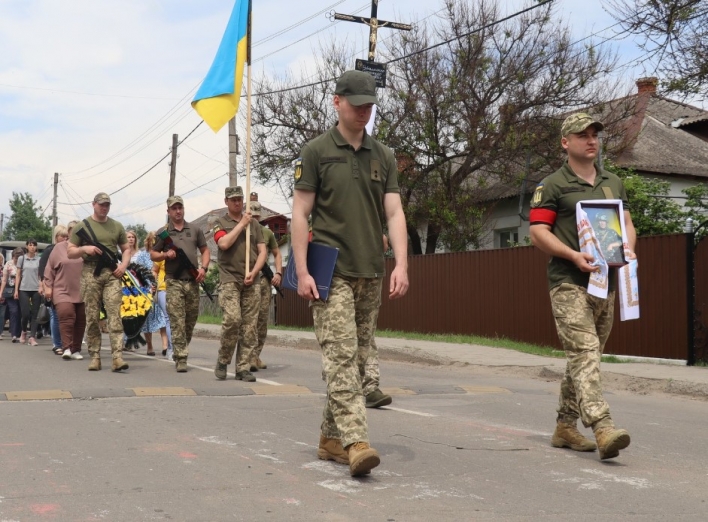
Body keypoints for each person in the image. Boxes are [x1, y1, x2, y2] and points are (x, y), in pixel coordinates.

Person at [291, 70, 409, 476]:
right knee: (341, 356)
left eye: (369, 104)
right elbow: (301, 212)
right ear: (336, 101)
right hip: (331, 272)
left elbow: (393, 212)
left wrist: (402, 265)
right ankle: (356, 442)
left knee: (357, 361)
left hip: (371, 272)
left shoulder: (384, 155)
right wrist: (302, 270)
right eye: (356, 103)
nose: (364, 110)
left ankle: (329, 439)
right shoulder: (316, 151)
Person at [529, 112, 637, 460]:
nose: (591, 140)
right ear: (565, 142)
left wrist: (628, 246)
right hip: (568, 283)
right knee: (585, 353)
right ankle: (602, 426)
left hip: (606, 283)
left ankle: (564, 426)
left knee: (584, 359)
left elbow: (627, 224)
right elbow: (537, 233)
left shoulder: (613, 182)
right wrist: (573, 256)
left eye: (595, 134)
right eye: (582, 135)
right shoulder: (553, 185)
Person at [68, 192, 131, 372]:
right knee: (92, 315)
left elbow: (126, 249)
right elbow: (70, 251)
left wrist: (124, 265)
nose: (104, 208)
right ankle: (95, 356)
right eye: (101, 204)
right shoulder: (83, 226)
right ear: (93, 204)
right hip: (91, 272)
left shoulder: (116, 226)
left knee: (114, 314)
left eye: (107, 205)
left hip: (112, 273)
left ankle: (117, 357)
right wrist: (84, 248)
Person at [211, 186, 266, 382]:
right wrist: (241, 224)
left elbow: (262, 252)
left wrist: (254, 271)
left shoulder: (255, 225)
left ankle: (243, 367)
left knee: (250, 326)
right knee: (233, 320)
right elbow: (223, 244)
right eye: (233, 199)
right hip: (230, 279)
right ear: (226, 201)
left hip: (251, 279)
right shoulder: (219, 222)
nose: (237, 202)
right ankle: (223, 359)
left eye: (239, 199)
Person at [151, 196, 209, 372]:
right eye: (174, 208)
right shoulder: (164, 232)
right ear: (168, 211)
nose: (178, 211)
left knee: (190, 320)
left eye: (180, 207)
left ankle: (179, 348)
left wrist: (204, 269)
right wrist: (165, 255)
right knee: (176, 319)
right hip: (173, 280)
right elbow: (153, 254)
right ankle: (181, 357)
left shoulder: (195, 229)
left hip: (192, 280)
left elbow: (205, 250)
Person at [249, 201, 282, 372]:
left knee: (262, 320)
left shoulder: (267, 233)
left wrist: (278, 273)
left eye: (256, 216)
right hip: (248, 280)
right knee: (249, 320)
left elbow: (277, 255)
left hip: (264, 281)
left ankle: (256, 355)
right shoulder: (243, 231)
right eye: (251, 215)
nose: (254, 218)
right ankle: (248, 356)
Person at [45, 223, 86, 360]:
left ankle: (76, 349)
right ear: (69, 233)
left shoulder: (85, 249)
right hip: (62, 289)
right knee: (66, 316)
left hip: (82, 290)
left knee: (80, 320)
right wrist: (48, 287)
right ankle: (66, 347)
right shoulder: (59, 248)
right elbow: (49, 269)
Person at [363, 234, 393, 408]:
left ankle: (370, 388)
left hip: (369, 274)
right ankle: (338, 384)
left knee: (367, 337)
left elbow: (383, 242)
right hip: (337, 275)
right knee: (340, 336)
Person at [39, 224, 72, 354]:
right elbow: (43, 270)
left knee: (65, 315)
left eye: (66, 236)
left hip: (67, 286)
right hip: (52, 286)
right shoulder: (50, 250)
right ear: (56, 237)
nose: (64, 239)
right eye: (62, 236)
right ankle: (57, 344)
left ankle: (67, 344)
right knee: (56, 315)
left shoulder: (70, 249)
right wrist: (44, 286)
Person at [15, 239, 42, 346]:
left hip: (35, 289)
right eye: (30, 245)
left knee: (35, 314)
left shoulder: (39, 259)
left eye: (34, 245)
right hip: (24, 288)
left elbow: (40, 276)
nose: (32, 247)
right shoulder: (22, 259)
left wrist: (41, 287)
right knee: (25, 313)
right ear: (26, 246)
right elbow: (18, 274)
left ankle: (32, 337)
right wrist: (16, 290)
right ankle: (23, 331)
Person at [152, 256, 173, 359]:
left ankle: (177, 346)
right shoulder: (161, 255)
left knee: (178, 319)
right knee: (168, 318)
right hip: (163, 289)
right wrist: (153, 283)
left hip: (177, 288)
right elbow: (155, 270)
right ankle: (171, 349)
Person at [0, 248, 23, 342]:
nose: (17, 260)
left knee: (22, 312)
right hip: (10, 290)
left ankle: (20, 332)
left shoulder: (24, 263)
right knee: (14, 311)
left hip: (23, 290)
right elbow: (4, 280)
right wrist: (1, 292)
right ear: (13, 256)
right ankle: (14, 334)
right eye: (15, 257)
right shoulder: (8, 264)